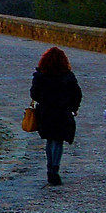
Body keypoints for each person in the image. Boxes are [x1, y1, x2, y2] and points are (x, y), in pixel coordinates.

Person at [29, 46, 83, 186]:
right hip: (62, 112)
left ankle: (50, 169)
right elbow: (77, 94)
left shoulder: (40, 75)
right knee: (58, 141)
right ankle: (55, 170)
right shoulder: (68, 76)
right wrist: (73, 108)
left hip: (46, 112)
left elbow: (34, 94)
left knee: (49, 140)